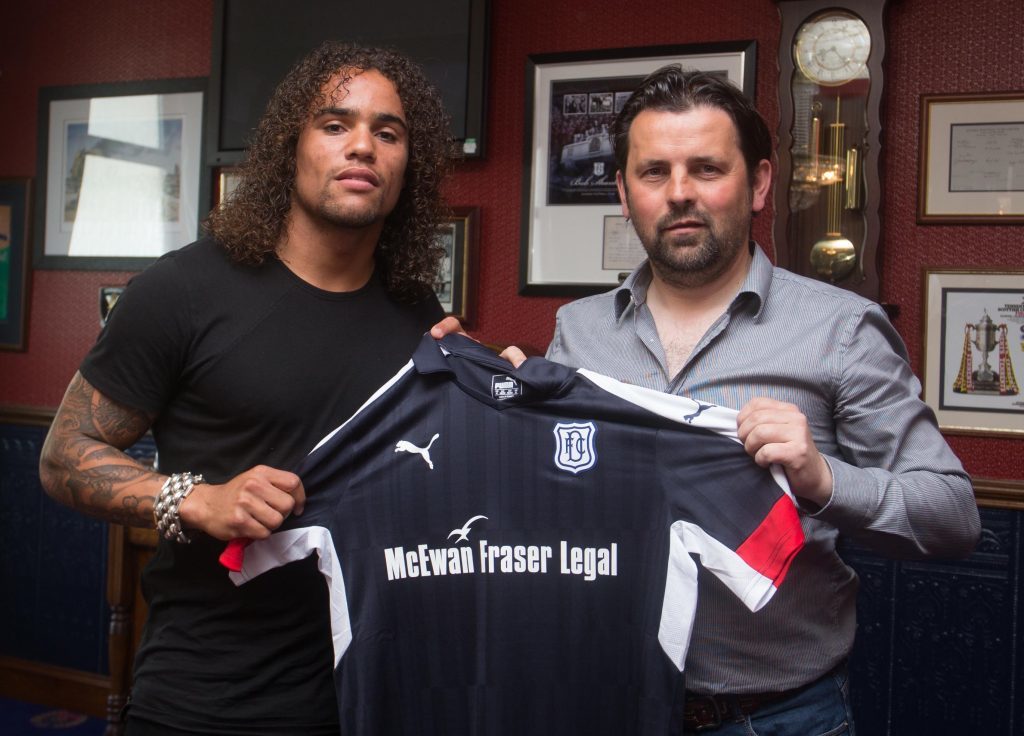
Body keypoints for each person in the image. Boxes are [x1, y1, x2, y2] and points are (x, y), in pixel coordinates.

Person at [437, 65, 980, 735]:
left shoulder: (842, 330)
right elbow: (563, 496)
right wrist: (505, 408)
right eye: (654, 172)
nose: (680, 194)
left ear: (757, 184)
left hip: (779, 717)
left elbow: (954, 517)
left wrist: (823, 478)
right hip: (606, 700)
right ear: (625, 192)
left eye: (706, 169)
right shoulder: (578, 331)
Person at [40, 41, 453, 735]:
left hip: (367, 694)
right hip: (207, 701)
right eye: (334, 124)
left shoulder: (416, 311)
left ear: (409, 163)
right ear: (289, 147)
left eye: (388, 132)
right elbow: (60, 456)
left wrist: (487, 391)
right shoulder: (185, 289)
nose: (362, 146)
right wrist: (198, 499)